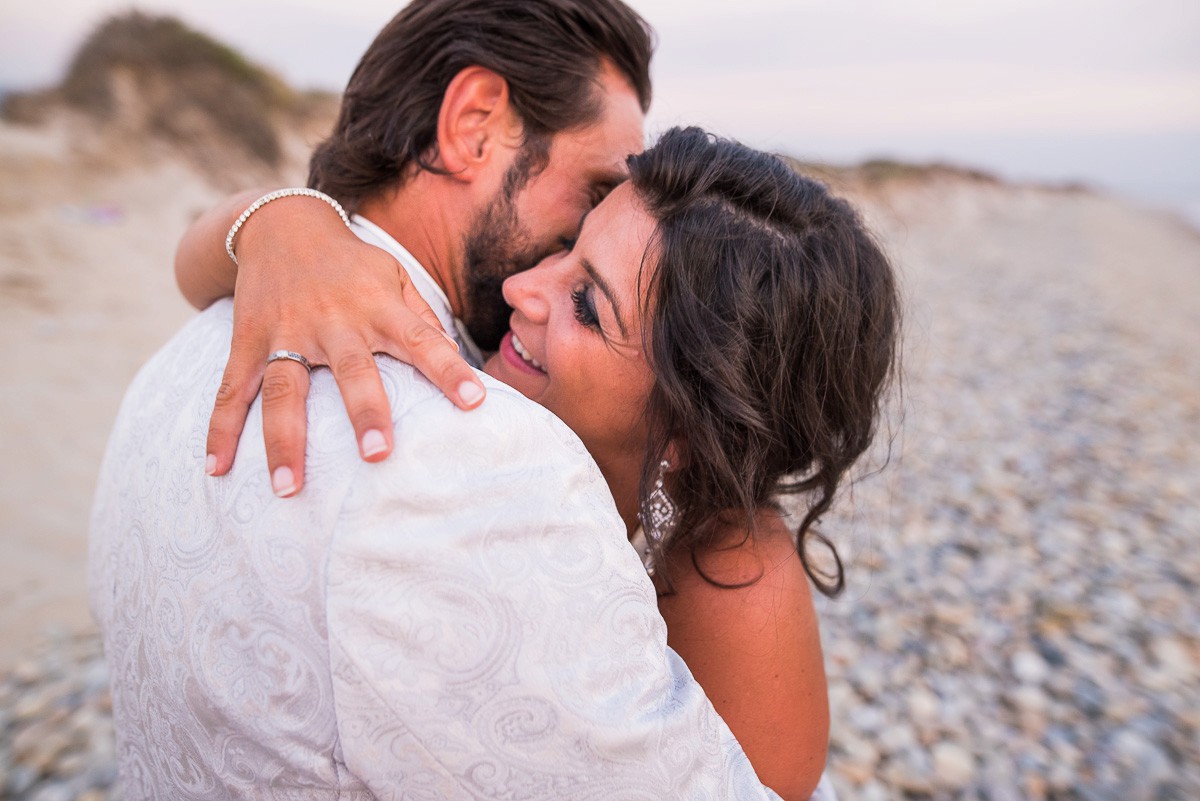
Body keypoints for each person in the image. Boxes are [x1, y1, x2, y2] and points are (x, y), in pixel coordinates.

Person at [89, 1, 874, 798]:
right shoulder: (484, 460)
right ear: (473, 123)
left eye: (586, 288)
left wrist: (272, 218)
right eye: (597, 188)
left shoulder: (191, 352)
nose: (527, 281)